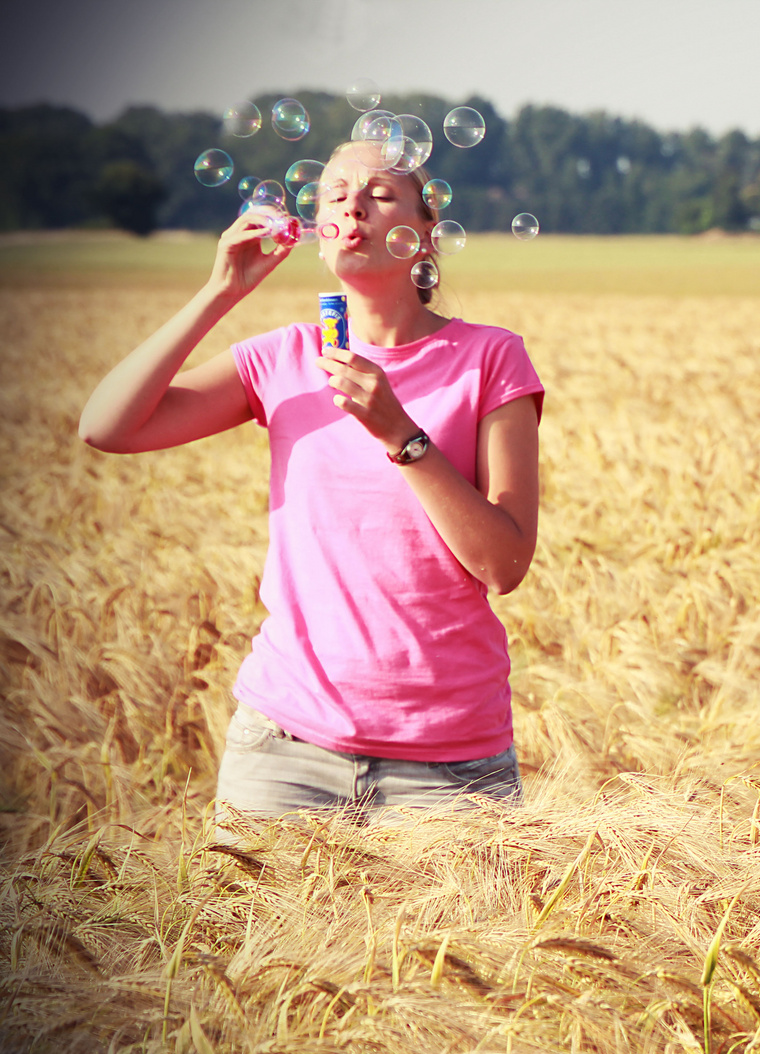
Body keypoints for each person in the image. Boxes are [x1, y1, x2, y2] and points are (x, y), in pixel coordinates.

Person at [79, 139, 545, 829]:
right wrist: (219, 294)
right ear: (318, 232)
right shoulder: (285, 357)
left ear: (426, 233)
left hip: (449, 761)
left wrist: (400, 435)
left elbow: (504, 565)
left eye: (381, 193)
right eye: (334, 194)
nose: (353, 204)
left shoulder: (489, 358)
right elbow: (106, 425)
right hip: (284, 751)